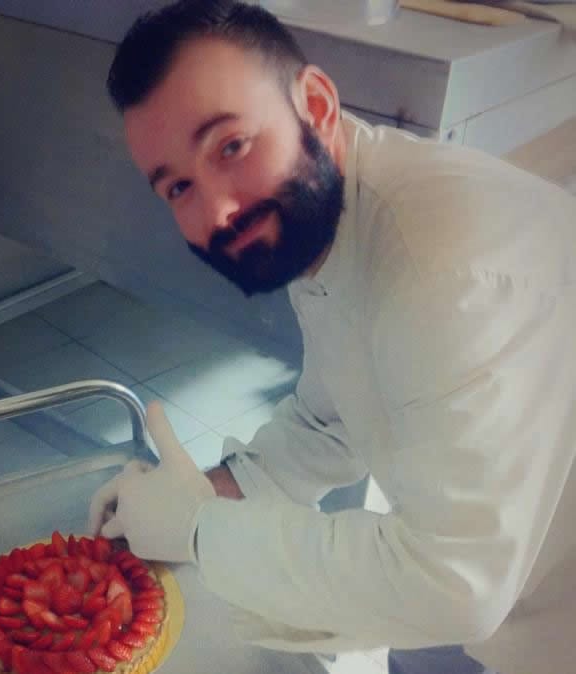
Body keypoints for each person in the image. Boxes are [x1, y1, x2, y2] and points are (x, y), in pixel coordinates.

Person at [88, 2, 576, 673]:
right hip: (477, 574)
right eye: (178, 187)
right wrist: (213, 485)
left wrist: (200, 531)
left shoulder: (442, 266)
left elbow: (454, 585)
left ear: (315, 105)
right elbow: (334, 417)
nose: (218, 212)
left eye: (231, 146)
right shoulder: (327, 213)